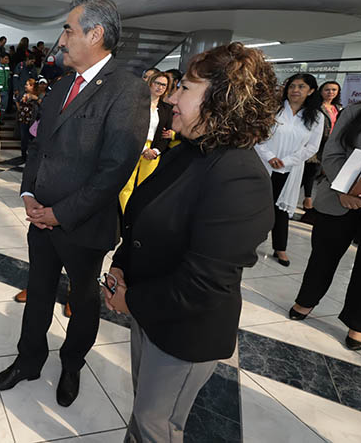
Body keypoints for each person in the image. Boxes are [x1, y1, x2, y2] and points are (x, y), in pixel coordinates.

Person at [104, 42, 278, 443]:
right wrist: (121, 264)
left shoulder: (239, 176)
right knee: (144, 410)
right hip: (150, 308)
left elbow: (204, 283)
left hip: (183, 331)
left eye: (184, 88)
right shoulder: (188, 151)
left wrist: (131, 301)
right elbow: (143, 219)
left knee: (156, 424)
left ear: (222, 100)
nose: (172, 97)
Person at [0, 0, 149, 408]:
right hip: (40, 220)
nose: (61, 40)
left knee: (84, 299)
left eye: (68, 30)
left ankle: (72, 363)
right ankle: (29, 361)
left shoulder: (128, 90)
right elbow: (39, 149)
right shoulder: (60, 85)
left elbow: (114, 170)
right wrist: (29, 195)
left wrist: (60, 214)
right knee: (38, 292)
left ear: (95, 35)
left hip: (84, 225)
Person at [289, 96, 361, 350]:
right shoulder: (356, 112)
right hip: (340, 198)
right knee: (323, 255)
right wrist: (344, 190)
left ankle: (360, 323)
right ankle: (307, 299)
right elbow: (333, 152)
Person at [255, 73, 324, 266]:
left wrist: (286, 161)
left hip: (290, 169)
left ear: (311, 91)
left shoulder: (316, 117)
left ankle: (280, 248)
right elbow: (257, 136)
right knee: (258, 206)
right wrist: (270, 157)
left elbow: (312, 147)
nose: (295, 90)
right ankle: (249, 242)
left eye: (301, 87)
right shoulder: (272, 109)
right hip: (264, 164)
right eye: (292, 86)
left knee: (281, 209)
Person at [118, 71, 174, 212]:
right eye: (158, 83)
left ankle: (137, 216)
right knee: (126, 185)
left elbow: (165, 134)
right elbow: (128, 128)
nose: (160, 87)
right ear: (150, 83)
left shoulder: (167, 109)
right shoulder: (136, 104)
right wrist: (143, 149)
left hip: (153, 151)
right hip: (134, 146)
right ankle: (125, 216)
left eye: (164, 85)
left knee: (146, 187)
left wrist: (156, 151)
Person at [302, 81, 342, 213]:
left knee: (318, 172)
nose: (331, 92)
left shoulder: (338, 108)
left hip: (331, 145)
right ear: (321, 91)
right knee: (311, 171)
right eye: (327, 89)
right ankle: (307, 200)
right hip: (316, 143)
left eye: (334, 90)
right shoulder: (316, 107)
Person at [16, 78, 41, 162]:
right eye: (26, 84)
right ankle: (23, 156)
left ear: (33, 86)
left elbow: (42, 104)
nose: (25, 86)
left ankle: (32, 155)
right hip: (23, 120)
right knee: (24, 138)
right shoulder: (23, 94)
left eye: (27, 85)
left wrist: (36, 98)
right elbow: (17, 101)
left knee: (32, 138)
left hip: (32, 120)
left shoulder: (37, 95)